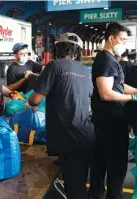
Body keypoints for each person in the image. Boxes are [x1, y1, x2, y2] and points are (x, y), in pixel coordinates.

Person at [89, 22, 137, 199]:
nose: (124, 43)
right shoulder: (105, 60)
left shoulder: (109, 60)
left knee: (100, 160)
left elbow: (119, 86)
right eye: (122, 39)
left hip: (106, 119)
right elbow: (106, 94)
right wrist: (134, 98)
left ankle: (96, 194)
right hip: (111, 120)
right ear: (111, 38)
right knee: (116, 164)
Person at [28, 33, 95, 199]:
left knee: (74, 188)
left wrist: (30, 102)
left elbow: (35, 99)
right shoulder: (86, 71)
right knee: (78, 181)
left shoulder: (54, 66)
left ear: (56, 51)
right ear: (76, 53)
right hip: (85, 133)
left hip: (67, 135)